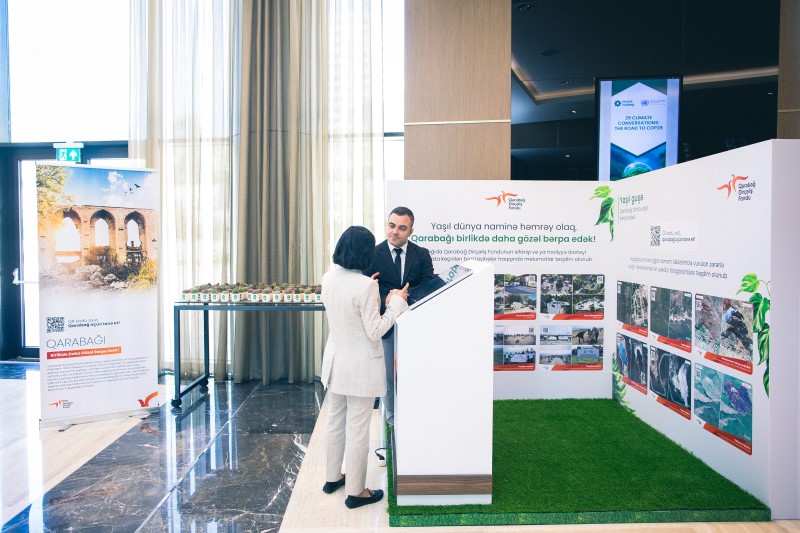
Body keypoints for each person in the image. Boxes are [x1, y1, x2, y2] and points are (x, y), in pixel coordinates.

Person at [320, 226, 408, 509]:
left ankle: (332, 478)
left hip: (335, 363)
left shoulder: (328, 278)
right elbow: (375, 331)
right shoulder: (366, 286)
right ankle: (356, 492)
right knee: (358, 428)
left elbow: (348, 309)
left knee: (335, 422)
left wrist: (369, 293)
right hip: (360, 368)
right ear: (364, 252)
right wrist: (396, 304)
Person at [364, 206, 435, 428]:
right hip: (385, 326)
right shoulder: (373, 254)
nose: (395, 231)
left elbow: (430, 286)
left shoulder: (421, 254)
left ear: (411, 231)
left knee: (413, 374)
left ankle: (415, 417)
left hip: (415, 326)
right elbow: (366, 288)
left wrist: (403, 295)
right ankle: (393, 422)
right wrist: (388, 298)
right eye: (391, 225)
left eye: (402, 228)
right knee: (388, 377)